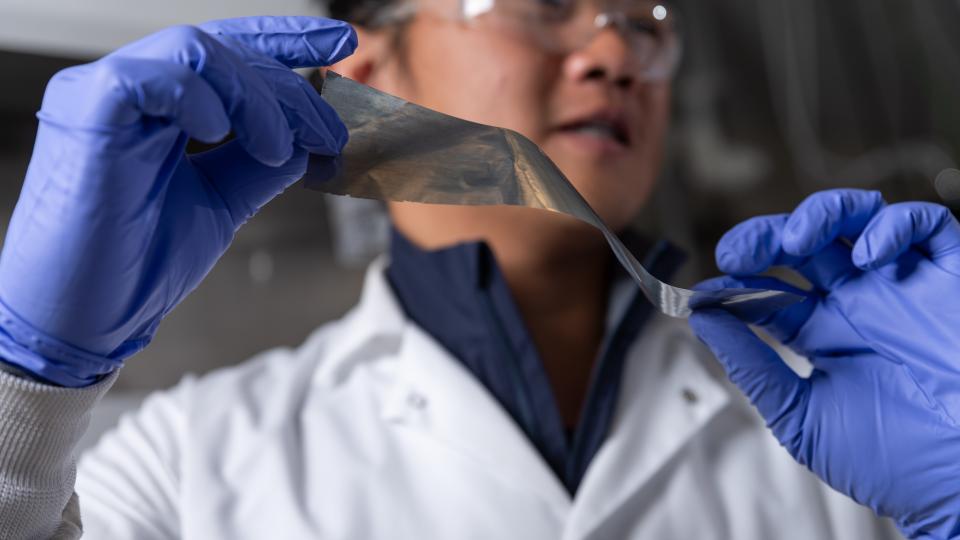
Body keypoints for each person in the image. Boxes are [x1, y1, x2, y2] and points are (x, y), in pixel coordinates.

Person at [0, 1, 957, 538]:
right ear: (372, 67)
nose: (616, 49)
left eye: (644, 20)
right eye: (548, 6)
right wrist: (26, 400)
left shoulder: (846, 440)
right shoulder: (182, 467)